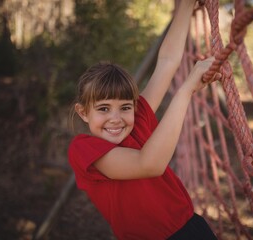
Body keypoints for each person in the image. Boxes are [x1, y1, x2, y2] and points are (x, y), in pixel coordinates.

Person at [68, 0, 217, 239]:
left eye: (125, 107)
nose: (116, 119)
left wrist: (187, 6)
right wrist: (186, 89)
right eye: (104, 109)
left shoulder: (136, 121)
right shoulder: (83, 149)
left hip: (191, 227)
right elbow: (149, 164)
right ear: (83, 112)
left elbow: (167, 63)